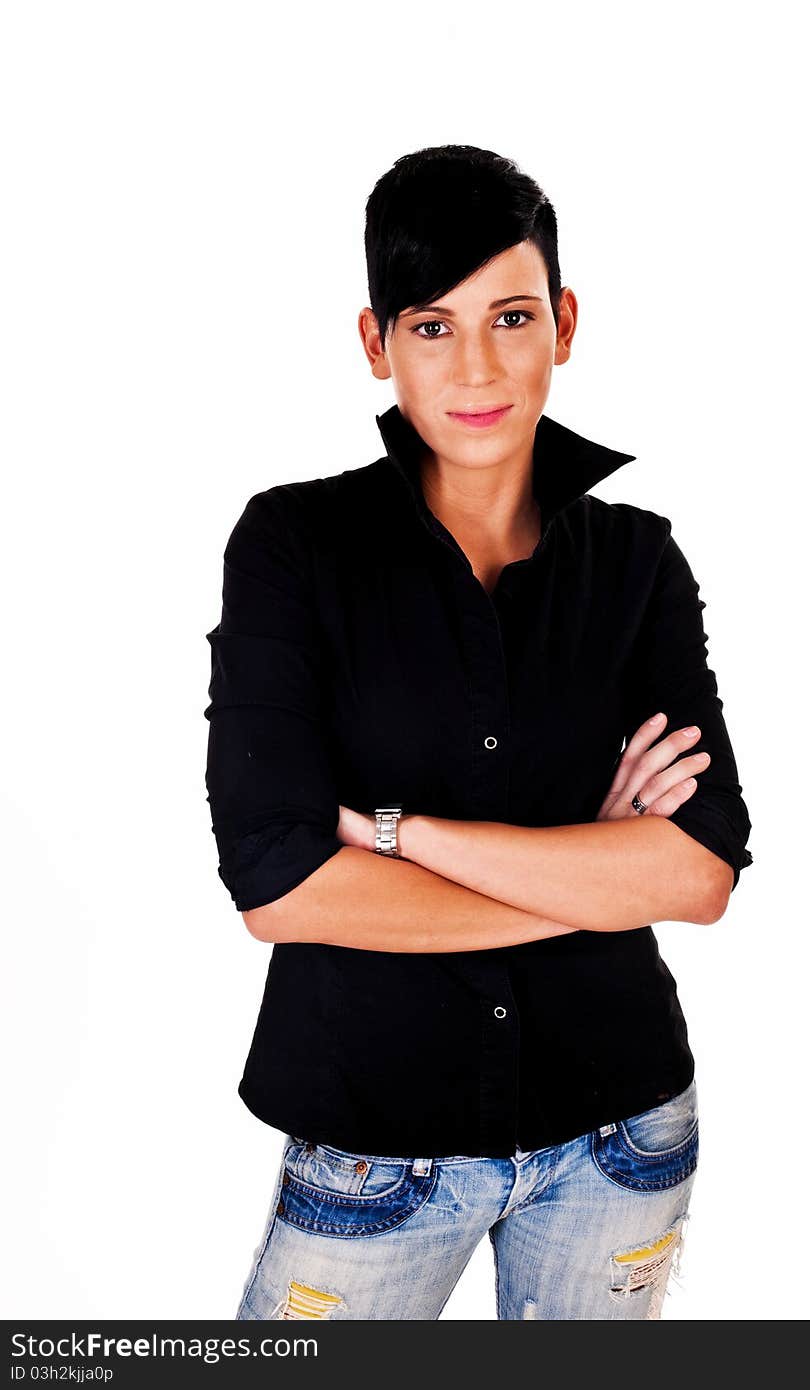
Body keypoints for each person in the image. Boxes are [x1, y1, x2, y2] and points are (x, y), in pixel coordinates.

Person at [203, 144, 753, 1321]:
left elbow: (699, 871)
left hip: (624, 1140)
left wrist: (398, 835)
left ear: (562, 319)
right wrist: (595, 868)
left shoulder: (637, 562)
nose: (479, 366)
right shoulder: (293, 550)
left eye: (509, 315)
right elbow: (279, 886)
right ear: (375, 342)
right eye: (431, 325)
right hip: (372, 1153)